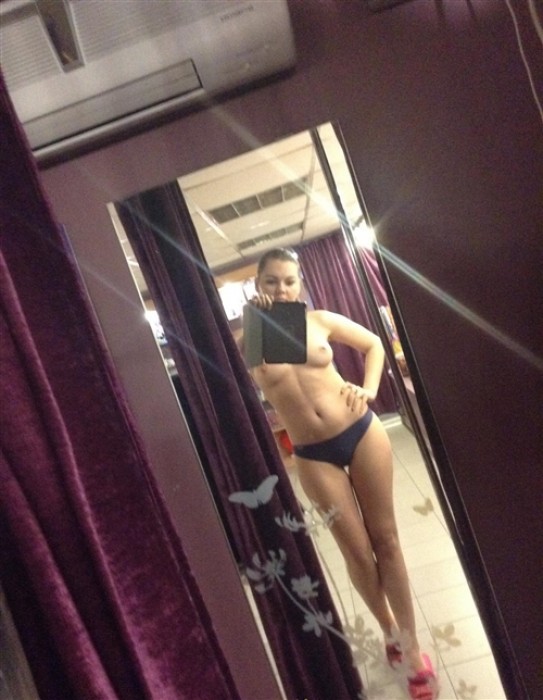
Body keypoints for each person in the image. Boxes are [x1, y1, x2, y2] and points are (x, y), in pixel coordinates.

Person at [246, 248, 439, 700]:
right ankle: (389, 630)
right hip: (313, 454)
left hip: (361, 432)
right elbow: (261, 375)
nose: (282, 289)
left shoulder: (320, 321)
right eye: (272, 281)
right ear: (258, 286)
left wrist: (368, 389)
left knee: (386, 540)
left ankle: (412, 649)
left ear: (300, 283)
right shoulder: (251, 338)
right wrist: (258, 322)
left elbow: (373, 344)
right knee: (357, 554)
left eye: (289, 280)